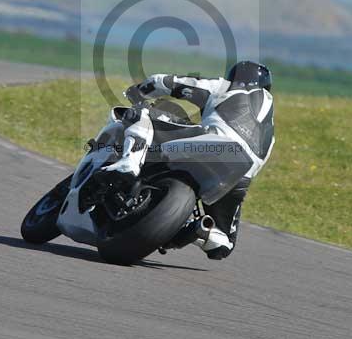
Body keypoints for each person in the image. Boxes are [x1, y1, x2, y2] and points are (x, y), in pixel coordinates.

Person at [102, 60, 275, 259]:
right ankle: (197, 230)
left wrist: (139, 91)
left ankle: (130, 163)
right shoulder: (271, 130)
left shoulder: (226, 86)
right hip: (240, 175)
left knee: (140, 114)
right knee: (222, 244)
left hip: (215, 142)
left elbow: (165, 82)